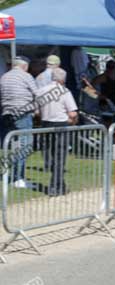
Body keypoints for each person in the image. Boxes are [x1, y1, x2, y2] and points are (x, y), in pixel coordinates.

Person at [35, 67, 77, 196]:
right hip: (60, 125)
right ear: (63, 79)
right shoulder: (64, 91)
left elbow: (37, 112)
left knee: (51, 157)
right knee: (60, 158)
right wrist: (72, 121)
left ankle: (60, 185)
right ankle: (55, 187)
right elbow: (73, 113)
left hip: (45, 125)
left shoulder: (41, 91)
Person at [1, 56, 38, 188]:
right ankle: (18, 178)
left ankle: (13, 176)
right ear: (25, 66)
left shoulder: (4, 77)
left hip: (7, 114)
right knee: (24, 145)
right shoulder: (26, 76)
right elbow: (37, 93)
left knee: (13, 146)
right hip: (23, 113)